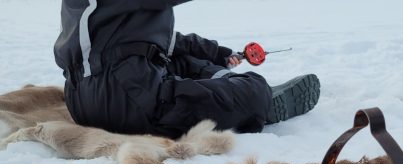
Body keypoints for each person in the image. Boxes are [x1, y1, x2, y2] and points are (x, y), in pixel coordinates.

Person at [53, 0, 320, 139]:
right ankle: (257, 101)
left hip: (85, 97)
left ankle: (224, 81)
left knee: (187, 62)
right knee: (255, 89)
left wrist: (219, 53)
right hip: (127, 100)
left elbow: (166, 43)